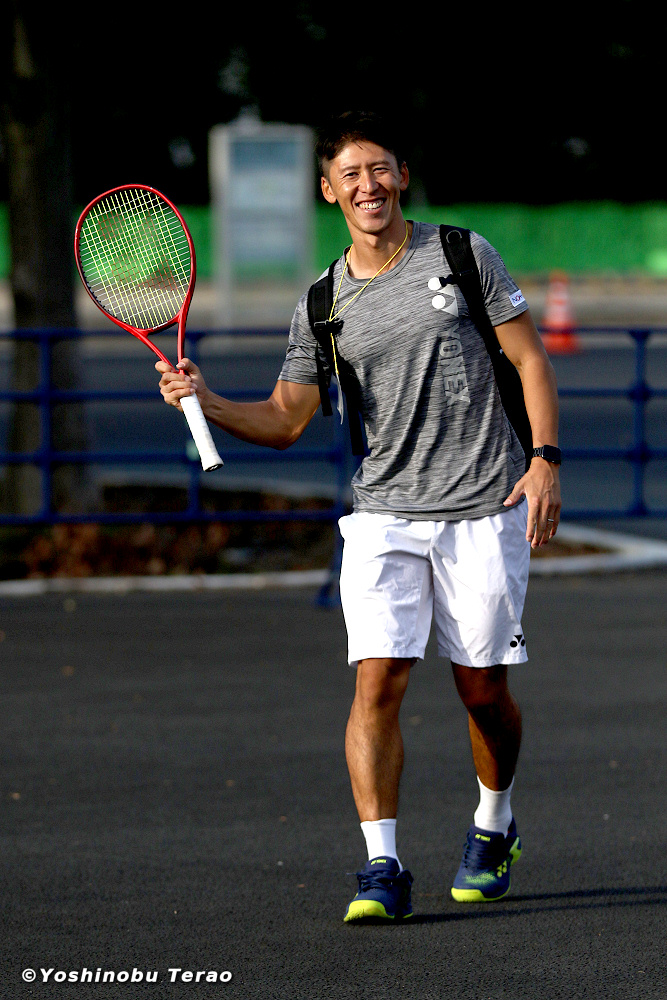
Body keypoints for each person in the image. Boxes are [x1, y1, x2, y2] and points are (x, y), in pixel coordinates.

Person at [156, 111, 561, 923]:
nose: (367, 186)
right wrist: (206, 399)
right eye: (350, 174)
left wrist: (544, 459)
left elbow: (528, 358)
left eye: (379, 169)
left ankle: (494, 823)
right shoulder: (321, 302)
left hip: (482, 504)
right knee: (376, 680)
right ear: (328, 190)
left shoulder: (461, 253)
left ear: (400, 176)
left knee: (482, 690)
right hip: (382, 514)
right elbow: (285, 418)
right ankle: (382, 865)